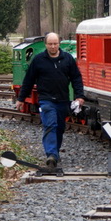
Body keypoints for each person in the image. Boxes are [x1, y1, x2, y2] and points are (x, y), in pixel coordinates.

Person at [16, 33, 85, 168]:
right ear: (46, 45)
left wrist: (79, 96)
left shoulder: (68, 59)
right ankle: (51, 154)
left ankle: (55, 153)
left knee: (59, 127)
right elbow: (28, 80)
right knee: (50, 125)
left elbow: (76, 78)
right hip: (46, 100)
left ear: (59, 44)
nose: (53, 46)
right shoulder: (38, 60)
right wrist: (21, 99)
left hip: (63, 100)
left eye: (55, 44)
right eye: (50, 44)